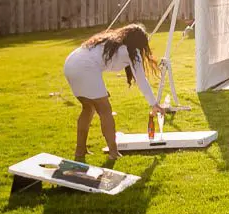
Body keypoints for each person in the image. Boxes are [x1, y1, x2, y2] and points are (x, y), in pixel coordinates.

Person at [63, 23, 164, 161]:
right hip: (85, 68)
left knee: (88, 108)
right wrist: (154, 104)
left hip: (70, 64)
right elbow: (141, 80)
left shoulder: (110, 41)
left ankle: (80, 150)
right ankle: (113, 152)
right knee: (105, 111)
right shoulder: (130, 52)